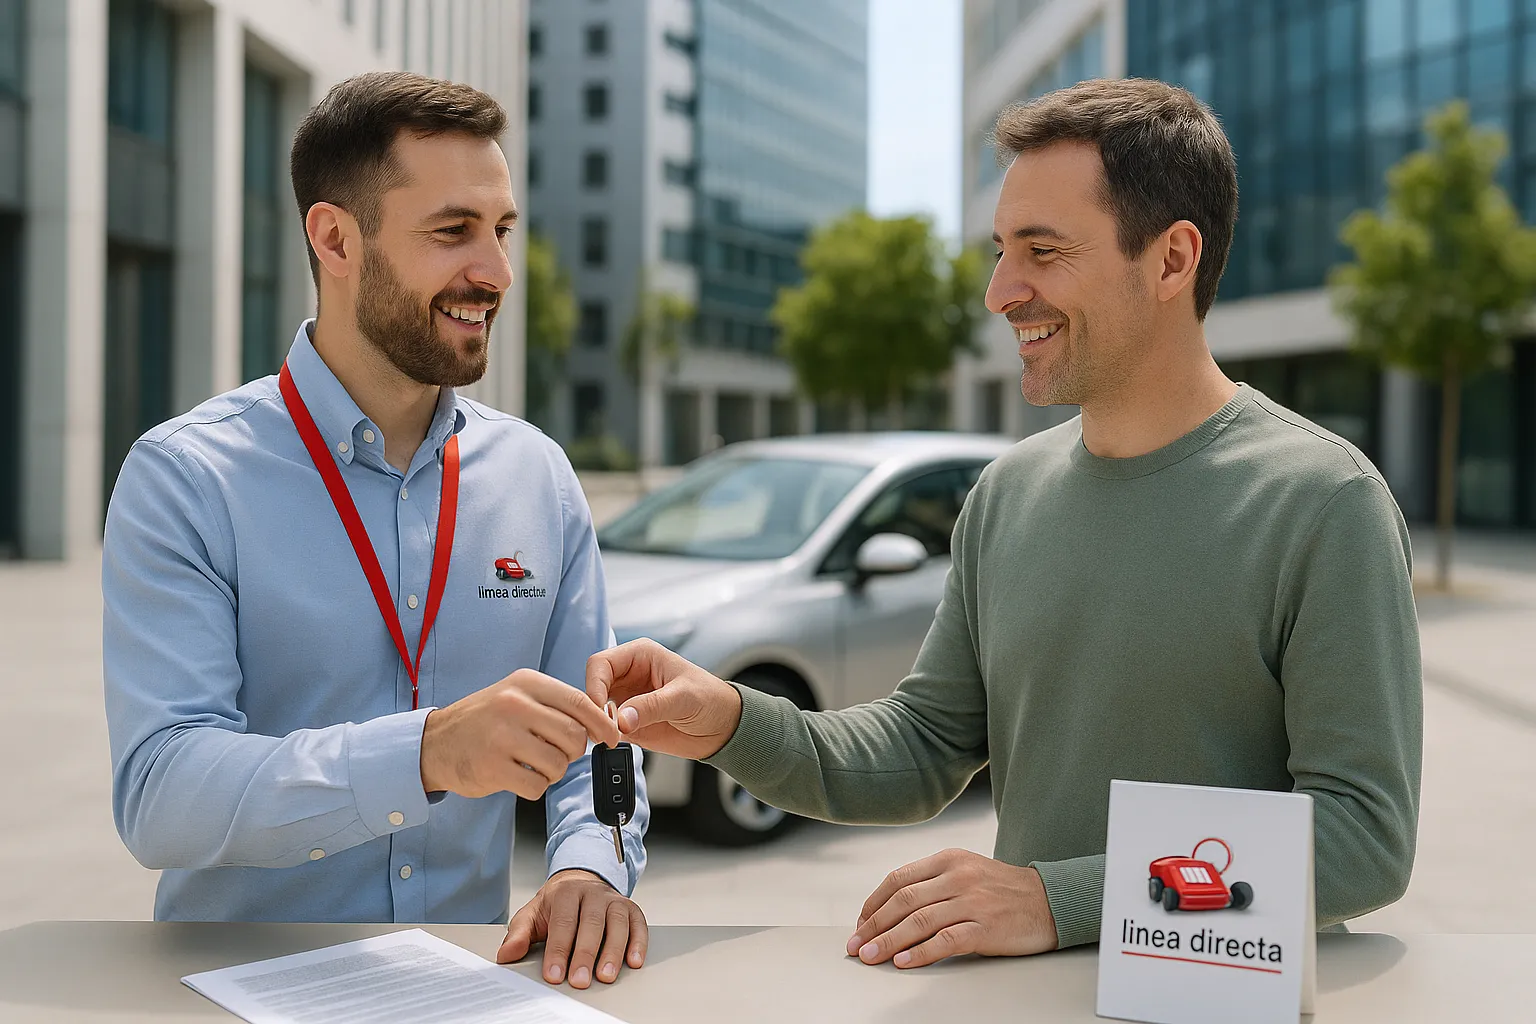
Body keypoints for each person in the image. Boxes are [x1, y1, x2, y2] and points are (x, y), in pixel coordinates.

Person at [586, 78, 1422, 969]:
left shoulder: (1325, 502)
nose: (1000, 291)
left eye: (1043, 250)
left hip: (1218, 1002)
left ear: (1174, 259)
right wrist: (730, 721)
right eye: (999, 249)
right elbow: (924, 746)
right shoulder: (1007, 493)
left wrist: (1058, 900)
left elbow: (1361, 839)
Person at [103, 72, 649, 990]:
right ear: (334, 239)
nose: (496, 273)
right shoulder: (186, 477)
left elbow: (599, 744)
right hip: (240, 997)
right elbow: (161, 791)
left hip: (467, 991)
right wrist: (426, 753)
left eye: (502, 231)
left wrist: (591, 864)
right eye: (452, 232)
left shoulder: (537, 477)